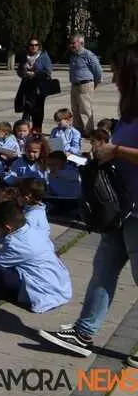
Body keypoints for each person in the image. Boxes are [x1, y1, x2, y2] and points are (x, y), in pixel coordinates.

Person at [39, 42, 138, 364]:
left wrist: (117, 152)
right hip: (121, 209)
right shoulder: (129, 112)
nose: (112, 79)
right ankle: (83, 331)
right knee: (102, 270)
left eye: (118, 71)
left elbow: (122, 154)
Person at [15, 37, 53, 133]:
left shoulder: (44, 56)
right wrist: (24, 70)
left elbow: (48, 72)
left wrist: (35, 73)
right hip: (26, 86)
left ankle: (37, 129)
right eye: (31, 45)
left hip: (39, 87)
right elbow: (19, 72)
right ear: (28, 46)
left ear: (39, 46)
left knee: (38, 110)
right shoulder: (25, 56)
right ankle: (25, 130)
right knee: (26, 109)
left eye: (36, 45)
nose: (34, 47)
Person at [68, 34, 102, 136]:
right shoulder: (73, 55)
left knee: (85, 109)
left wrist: (95, 83)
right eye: (71, 43)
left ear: (81, 43)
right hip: (74, 85)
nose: (72, 45)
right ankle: (78, 130)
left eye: (73, 43)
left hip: (85, 85)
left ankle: (89, 131)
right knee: (75, 109)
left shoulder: (88, 55)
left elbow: (98, 70)